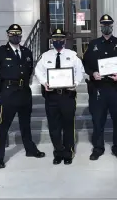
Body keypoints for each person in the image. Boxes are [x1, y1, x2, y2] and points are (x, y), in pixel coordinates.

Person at [0, 24, 45, 169]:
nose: (15, 36)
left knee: (25, 124)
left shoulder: (27, 52)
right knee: (3, 125)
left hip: (24, 92)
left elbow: (29, 71)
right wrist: (0, 84)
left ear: (21, 35)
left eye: (18, 34)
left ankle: (30, 149)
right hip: (8, 93)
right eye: (12, 34)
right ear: (8, 35)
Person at [82, 14, 117, 161]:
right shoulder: (92, 44)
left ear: (112, 26)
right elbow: (85, 64)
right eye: (103, 24)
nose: (106, 27)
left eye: (108, 24)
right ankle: (98, 148)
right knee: (98, 120)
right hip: (99, 89)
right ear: (100, 26)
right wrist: (92, 73)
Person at [34, 29, 85, 165]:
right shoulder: (45, 56)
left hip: (67, 95)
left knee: (68, 125)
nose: (58, 41)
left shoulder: (72, 55)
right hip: (51, 96)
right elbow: (38, 71)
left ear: (64, 40)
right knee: (54, 127)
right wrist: (44, 82)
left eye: (60, 39)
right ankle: (58, 152)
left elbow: (80, 71)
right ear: (52, 40)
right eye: (55, 39)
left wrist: (75, 83)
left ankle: (68, 153)